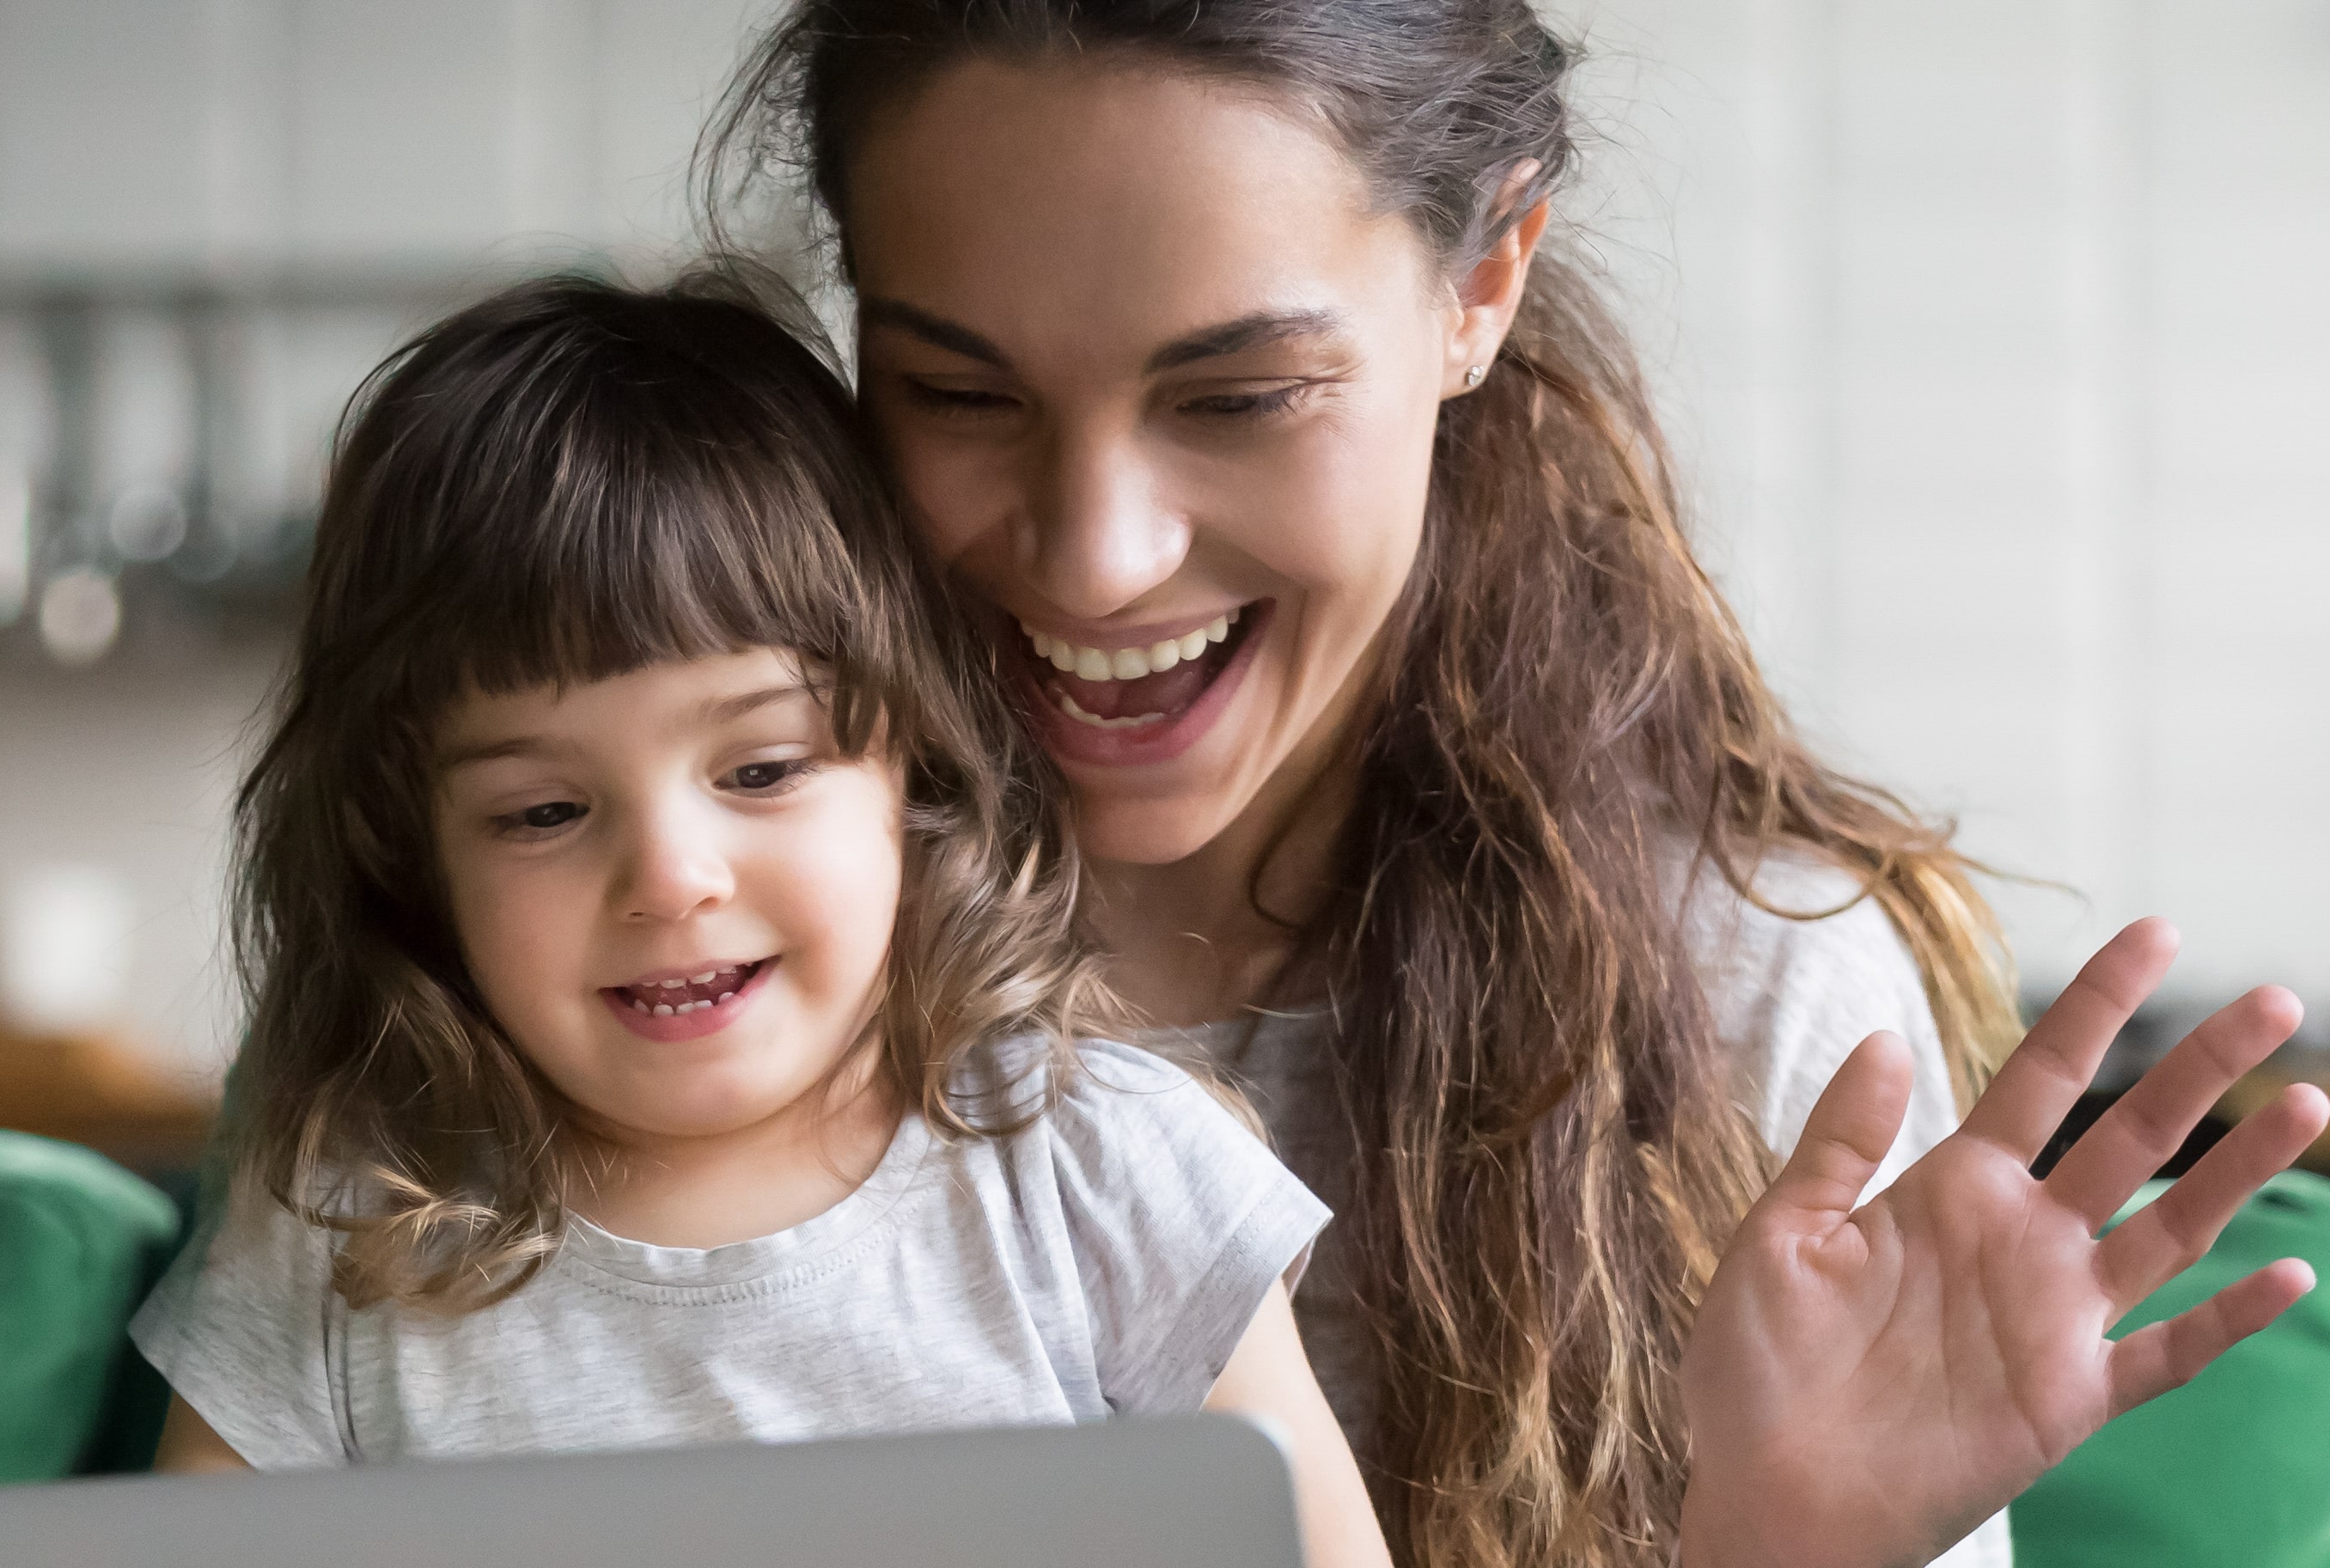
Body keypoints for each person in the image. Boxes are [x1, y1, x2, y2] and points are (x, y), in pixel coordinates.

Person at [704, 4, 2330, 1566]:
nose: (1095, 552)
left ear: (1482, 282)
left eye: (1239, 398)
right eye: (962, 395)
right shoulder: (665, 946)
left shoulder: (1746, 989)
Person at [125, 273, 1399, 1568]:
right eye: (544, 811)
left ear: (910, 759)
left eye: (762, 770)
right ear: (414, 854)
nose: (672, 877)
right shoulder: (349, 1231)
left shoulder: (1099, 1171)